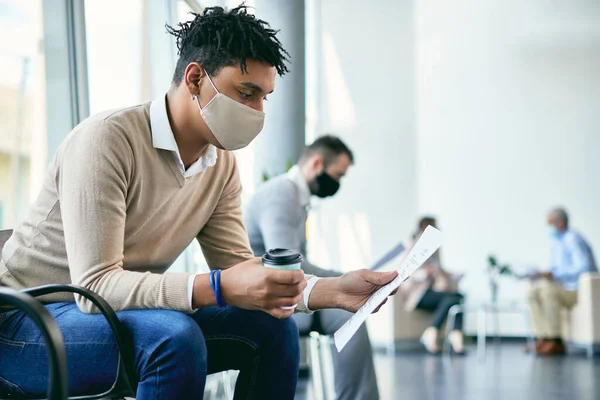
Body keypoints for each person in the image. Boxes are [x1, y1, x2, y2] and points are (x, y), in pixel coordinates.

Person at [0, 7, 398, 399]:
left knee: (272, 327)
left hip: (105, 315)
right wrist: (216, 285)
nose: (259, 112)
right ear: (194, 78)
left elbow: (241, 271)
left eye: (265, 97)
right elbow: (96, 285)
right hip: (25, 321)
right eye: (247, 93)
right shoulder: (106, 140)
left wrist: (330, 291)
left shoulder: (220, 165)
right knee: (172, 338)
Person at [243, 135, 380, 400]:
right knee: (349, 312)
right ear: (317, 163)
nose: (338, 182)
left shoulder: (295, 196)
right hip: (268, 301)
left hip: (285, 295)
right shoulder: (281, 194)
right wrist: (342, 279)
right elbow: (286, 265)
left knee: (352, 310)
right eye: (338, 174)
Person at [527, 207, 597, 356]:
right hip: (562, 287)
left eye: (551, 223)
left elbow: (583, 267)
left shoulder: (573, 238)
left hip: (576, 289)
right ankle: (543, 337)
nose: (549, 228)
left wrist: (557, 274)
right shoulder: (556, 242)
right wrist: (543, 273)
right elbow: (554, 267)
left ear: (561, 223)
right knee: (533, 291)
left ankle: (555, 340)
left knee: (547, 291)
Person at [398, 216, 465, 354]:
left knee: (458, 297)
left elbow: (439, 268)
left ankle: (439, 333)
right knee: (451, 299)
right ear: (424, 229)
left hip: (432, 291)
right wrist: (424, 273)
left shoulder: (435, 248)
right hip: (416, 295)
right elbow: (403, 272)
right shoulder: (412, 246)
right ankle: (448, 335)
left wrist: (453, 276)